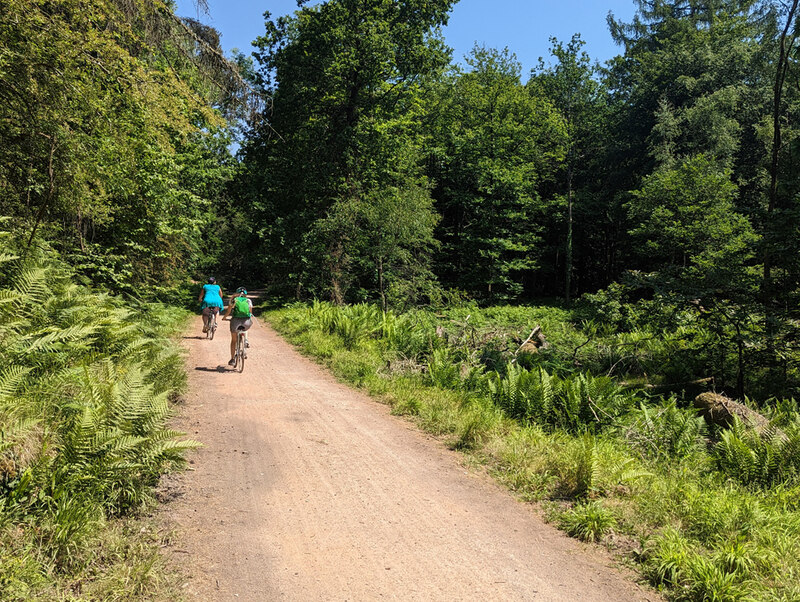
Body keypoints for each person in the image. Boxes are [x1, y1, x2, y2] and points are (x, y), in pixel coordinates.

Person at [222, 287, 253, 365]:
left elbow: (228, 311)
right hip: (246, 322)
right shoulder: (248, 300)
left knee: (233, 340)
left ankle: (232, 359)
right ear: (245, 294)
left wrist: (224, 317)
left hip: (236, 321)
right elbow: (250, 313)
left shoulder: (234, 300)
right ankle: (246, 340)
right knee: (245, 328)